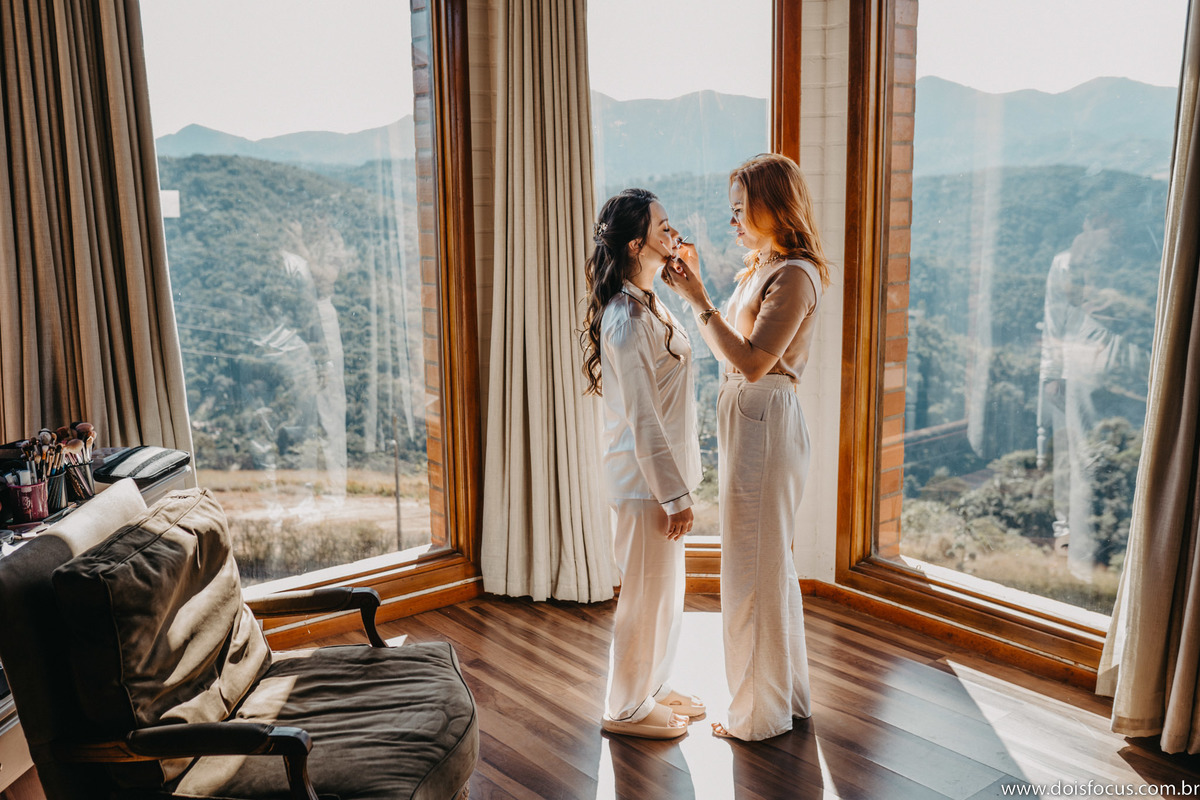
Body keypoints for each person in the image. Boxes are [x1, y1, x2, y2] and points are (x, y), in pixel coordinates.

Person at [662, 153, 831, 741]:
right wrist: (700, 292)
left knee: (753, 571)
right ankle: (785, 699)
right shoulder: (766, 268)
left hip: (765, 419)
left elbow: (754, 363)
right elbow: (731, 354)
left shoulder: (795, 275)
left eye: (740, 209)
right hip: (749, 417)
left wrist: (698, 299)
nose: (732, 220)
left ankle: (758, 716)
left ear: (771, 207)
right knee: (764, 564)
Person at [581, 188, 706, 740]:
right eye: (663, 227)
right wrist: (673, 496)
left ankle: (653, 686)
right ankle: (625, 707)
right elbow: (642, 417)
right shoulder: (627, 318)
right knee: (643, 599)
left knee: (665, 596)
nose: (673, 233)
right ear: (636, 244)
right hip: (644, 483)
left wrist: (689, 282)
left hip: (663, 477)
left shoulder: (652, 302)